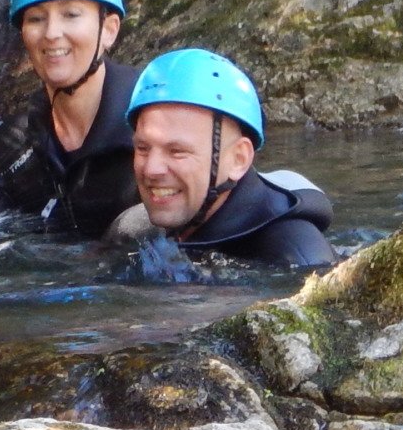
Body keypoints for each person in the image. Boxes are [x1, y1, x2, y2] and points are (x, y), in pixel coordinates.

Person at [0, 0, 140, 237]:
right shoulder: (14, 145)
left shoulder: (153, 132)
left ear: (109, 30)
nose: (52, 33)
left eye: (71, 14)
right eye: (36, 19)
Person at [118, 48, 336, 270]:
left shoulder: (298, 258)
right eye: (143, 148)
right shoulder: (132, 233)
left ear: (238, 159)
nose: (152, 169)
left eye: (177, 151)